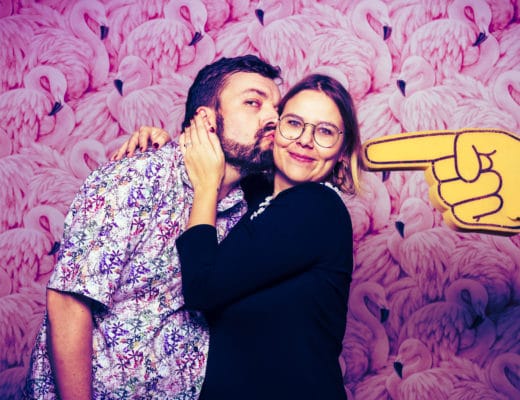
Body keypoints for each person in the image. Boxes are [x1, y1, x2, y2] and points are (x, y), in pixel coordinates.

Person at [23, 55, 281, 400]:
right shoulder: (137, 177)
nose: (273, 118)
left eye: (277, 108)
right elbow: (69, 301)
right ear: (206, 119)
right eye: (253, 103)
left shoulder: (250, 207)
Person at [127, 74, 361, 399]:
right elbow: (220, 163)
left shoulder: (317, 208)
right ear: (275, 130)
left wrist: (206, 187)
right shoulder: (258, 199)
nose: (305, 140)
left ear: (343, 150)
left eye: (325, 131)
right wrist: (169, 149)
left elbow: (202, 288)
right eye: (294, 123)